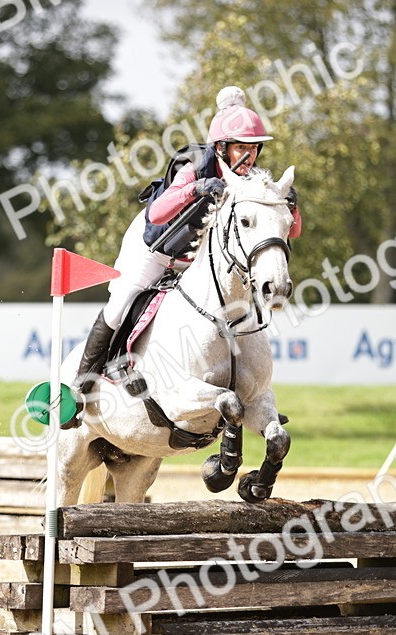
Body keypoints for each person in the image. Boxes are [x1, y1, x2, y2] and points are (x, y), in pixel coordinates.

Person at [73, 85, 303, 400]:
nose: (249, 156)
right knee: (122, 301)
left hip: (194, 257)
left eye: (254, 148)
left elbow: (292, 231)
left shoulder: (251, 183)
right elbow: (156, 212)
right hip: (155, 247)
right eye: (241, 148)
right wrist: (196, 189)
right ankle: (83, 383)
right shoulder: (196, 165)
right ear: (222, 147)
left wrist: (290, 205)